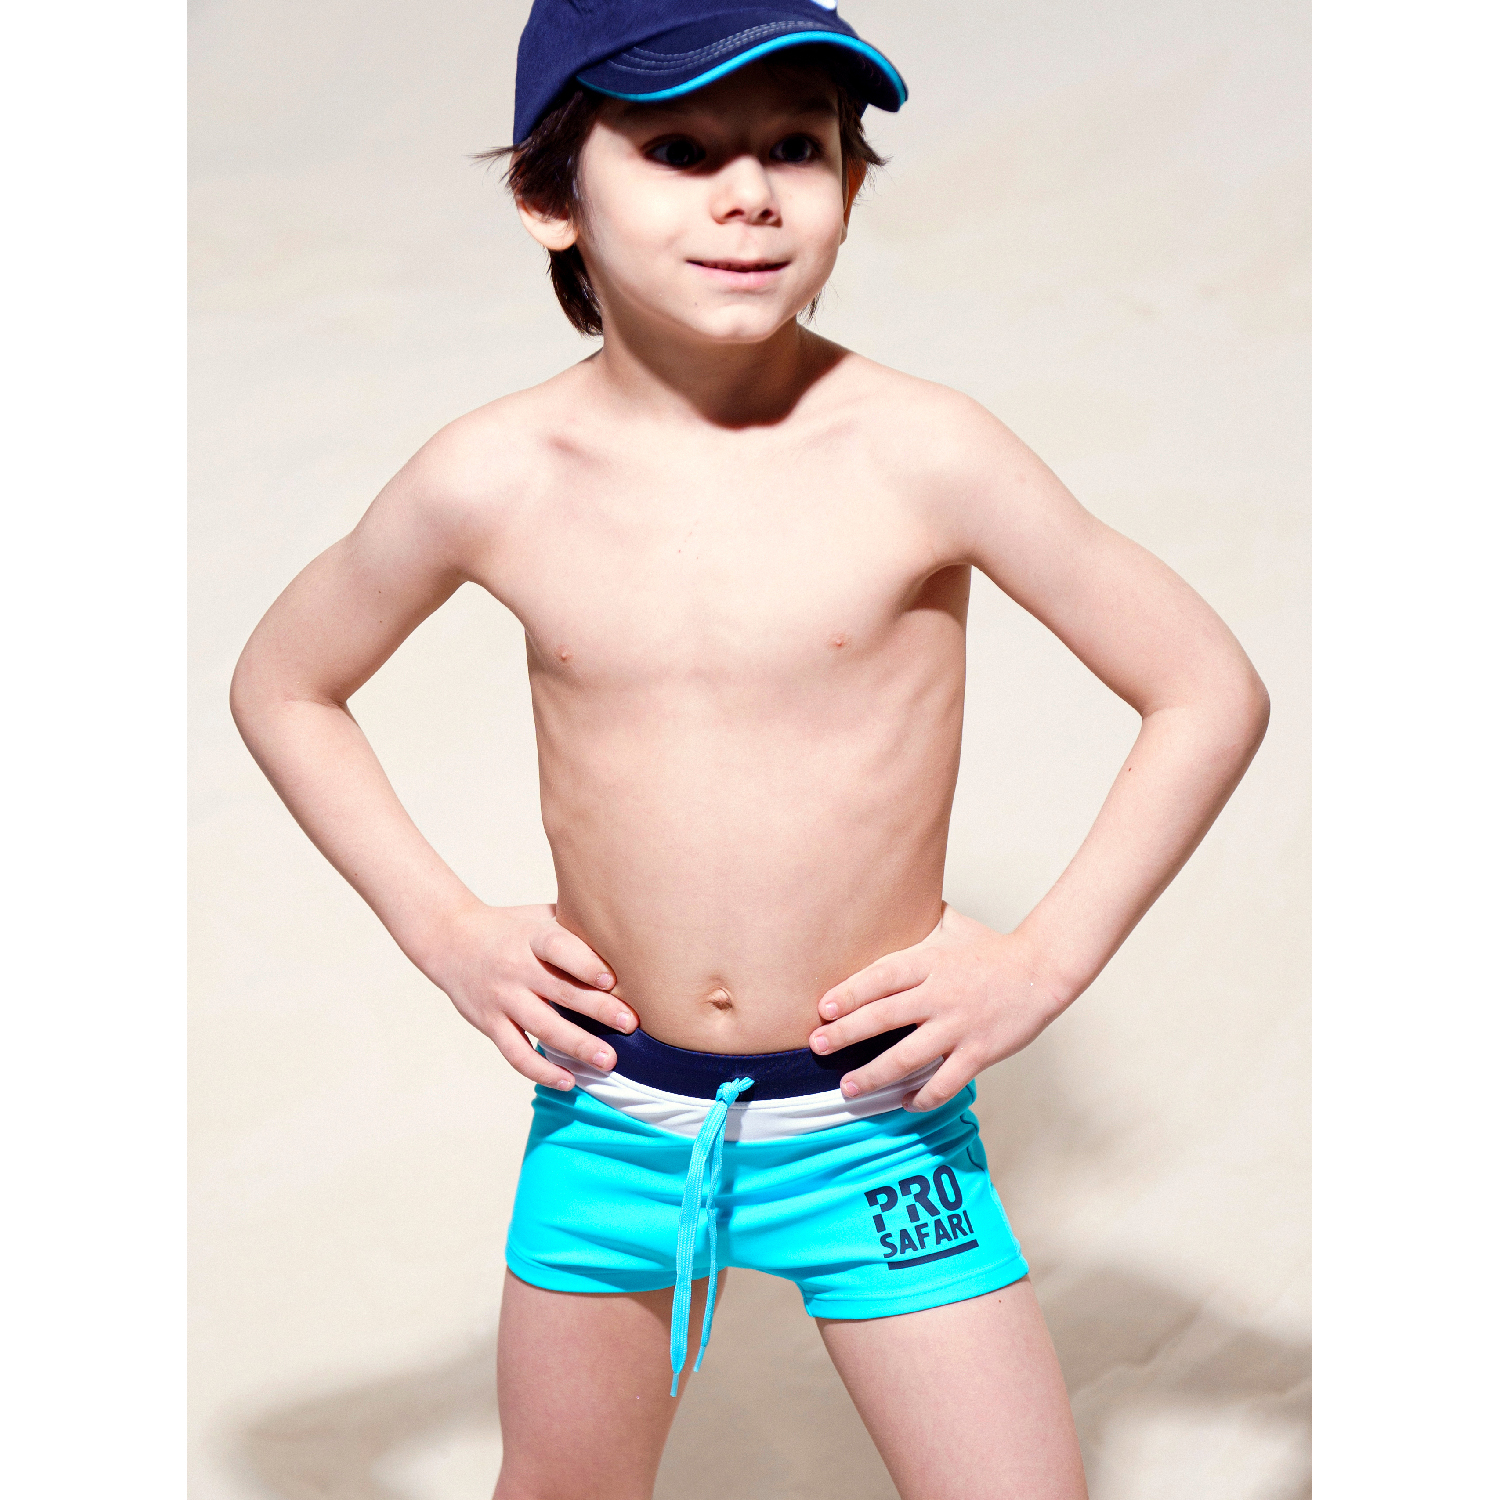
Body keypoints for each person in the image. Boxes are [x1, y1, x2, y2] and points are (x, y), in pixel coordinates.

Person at [229, 2, 1270, 1495]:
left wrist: (1044, 960)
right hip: (613, 1119)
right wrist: (444, 927)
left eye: (797, 145)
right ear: (548, 197)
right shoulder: (493, 475)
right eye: (679, 149)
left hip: (875, 1129)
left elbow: (1205, 685)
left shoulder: (926, 449)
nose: (750, 194)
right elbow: (285, 684)